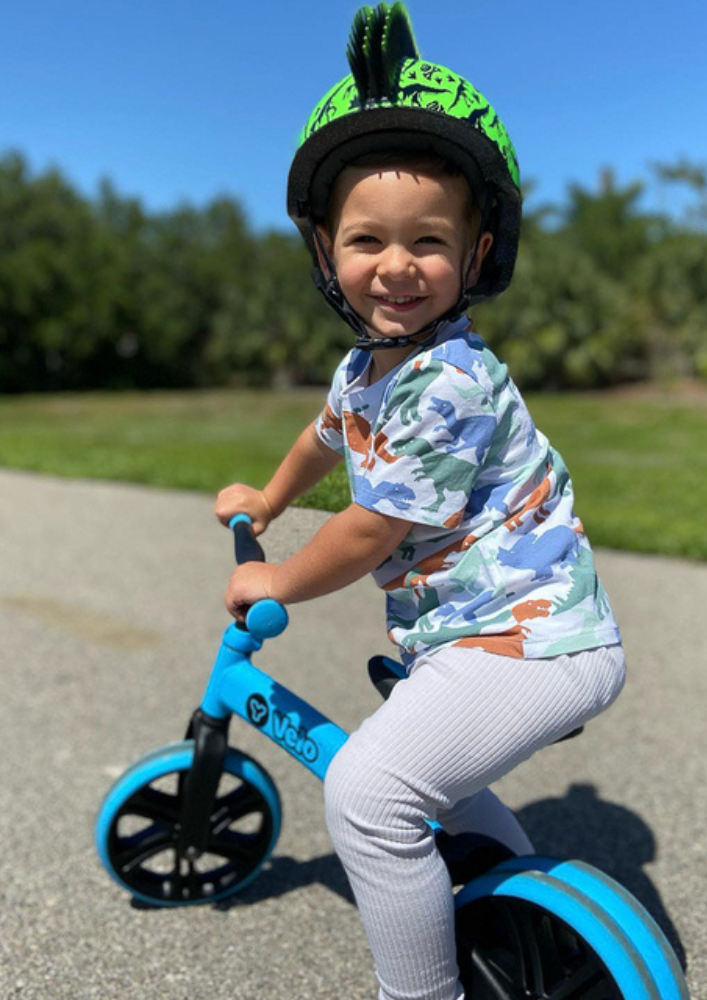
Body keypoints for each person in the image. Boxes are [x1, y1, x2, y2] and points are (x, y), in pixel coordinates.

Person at [214, 5, 624, 999]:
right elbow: (324, 439)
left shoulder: (446, 378)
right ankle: (499, 895)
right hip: (481, 635)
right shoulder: (368, 365)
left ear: (477, 253)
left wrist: (277, 577)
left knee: (368, 789)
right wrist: (265, 500)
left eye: (428, 241)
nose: (396, 265)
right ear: (325, 249)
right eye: (366, 239)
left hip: (535, 645)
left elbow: (372, 526)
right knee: (434, 766)